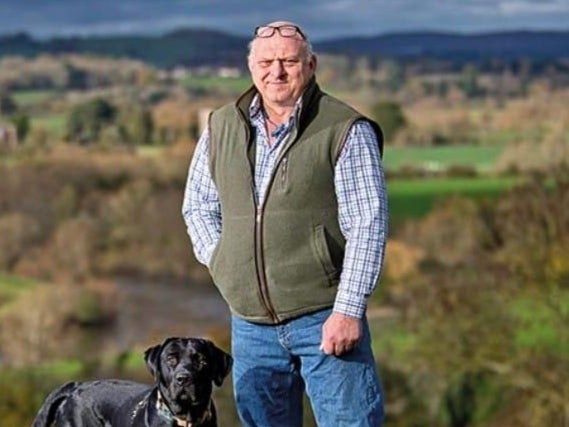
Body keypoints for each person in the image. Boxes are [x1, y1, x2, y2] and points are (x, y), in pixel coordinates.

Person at [182, 20, 388, 427]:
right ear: (251, 67)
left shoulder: (344, 128)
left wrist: (347, 311)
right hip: (250, 326)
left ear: (310, 65)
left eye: (288, 61)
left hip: (324, 317)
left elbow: (368, 224)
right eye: (266, 61)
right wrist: (226, 262)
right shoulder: (222, 126)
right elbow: (197, 207)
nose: (276, 71)